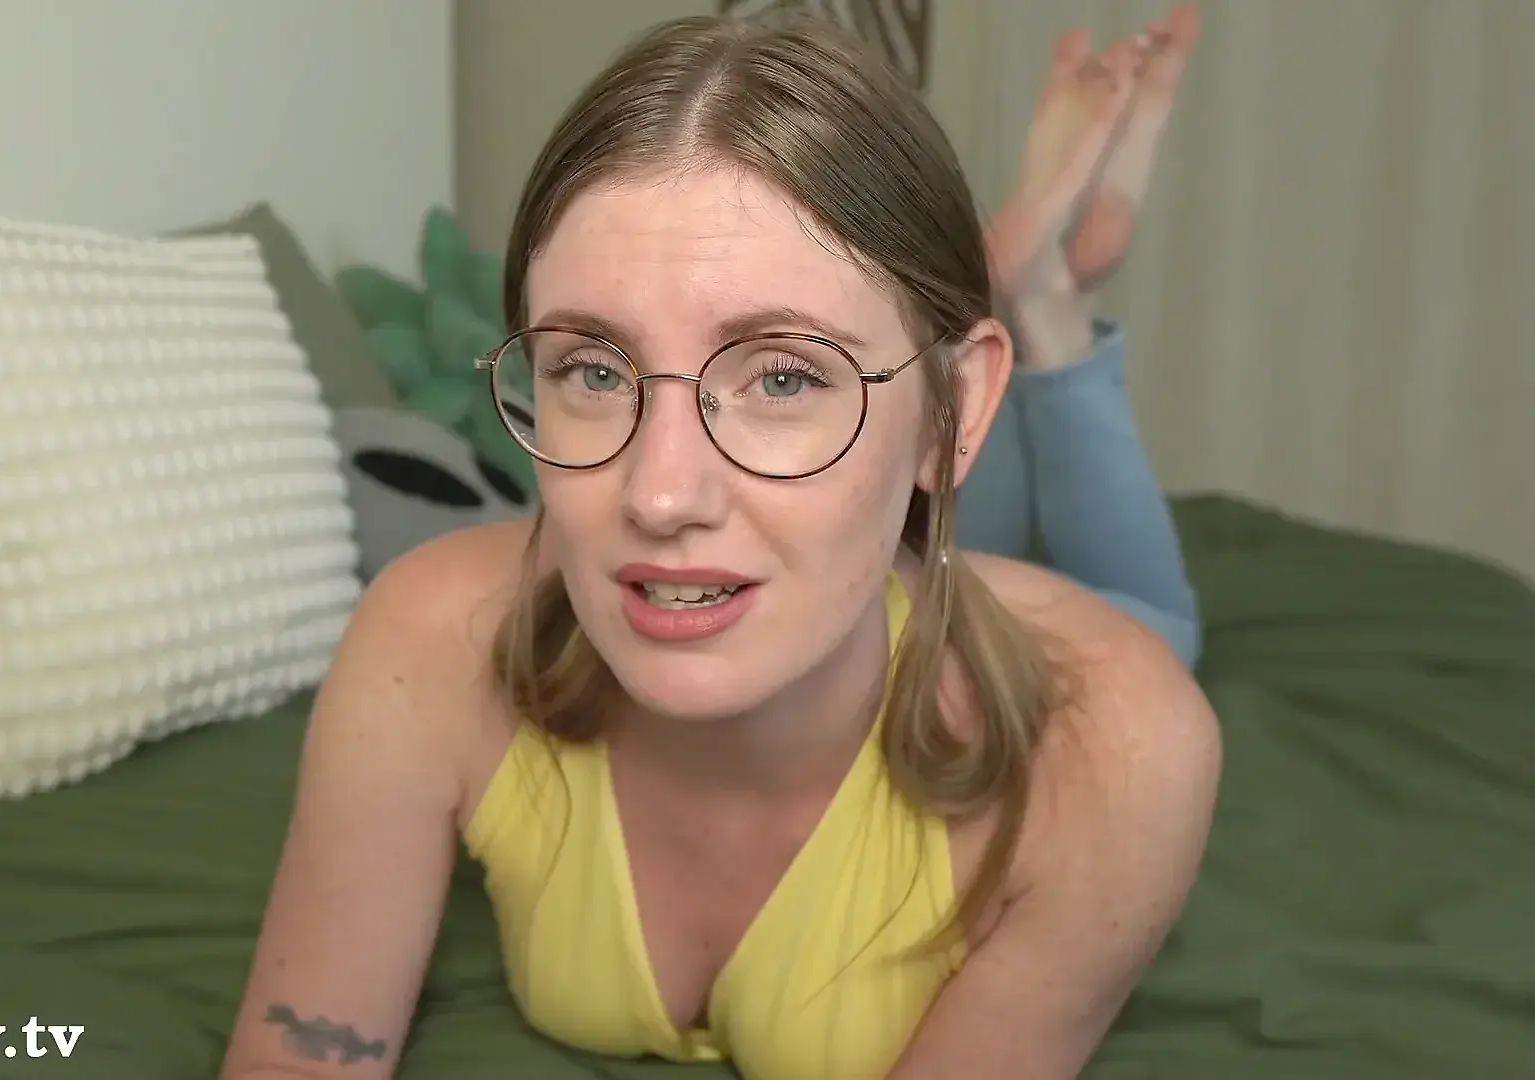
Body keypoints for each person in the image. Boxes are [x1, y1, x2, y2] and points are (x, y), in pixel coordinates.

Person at [221, 11, 1220, 1080]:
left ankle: (1051, 317)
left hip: (1021, 600)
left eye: (783, 377)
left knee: (1155, 614)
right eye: (593, 372)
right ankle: (1028, 297)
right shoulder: (426, 644)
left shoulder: (1117, 752)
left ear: (956, 408)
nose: (660, 496)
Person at [963, 5, 1205, 668]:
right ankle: (1041, 301)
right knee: (1159, 632)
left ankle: (1035, 297)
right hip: (922, 582)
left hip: (919, 566)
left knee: (970, 557)